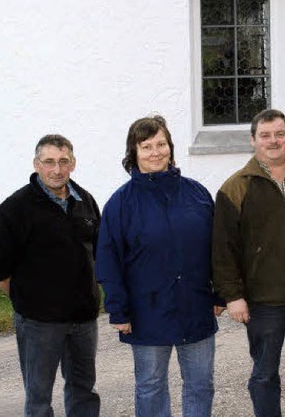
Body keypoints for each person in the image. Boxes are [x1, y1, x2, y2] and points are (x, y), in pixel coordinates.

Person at [95, 115, 221, 417]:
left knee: (201, 384)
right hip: (146, 311)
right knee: (150, 385)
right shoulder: (121, 203)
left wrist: (221, 293)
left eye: (161, 144)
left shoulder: (197, 194)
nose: (155, 152)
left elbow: (218, 250)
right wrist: (118, 309)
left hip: (196, 306)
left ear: (170, 148)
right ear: (134, 152)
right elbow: (108, 260)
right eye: (146, 146)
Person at [212, 108, 285, 417]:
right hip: (263, 300)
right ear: (253, 140)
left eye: (279, 134)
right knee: (264, 375)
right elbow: (223, 249)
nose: (273, 141)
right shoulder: (236, 187)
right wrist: (232, 296)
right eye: (265, 135)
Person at [0, 134, 101, 417]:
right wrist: (26, 297)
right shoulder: (15, 209)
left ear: (73, 163)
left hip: (83, 319)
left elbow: (97, 251)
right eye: (49, 162)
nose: (57, 170)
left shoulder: (85, 200)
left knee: (83, 390)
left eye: (63, 161)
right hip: (39, 323)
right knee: (38, 398)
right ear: (36, 164)